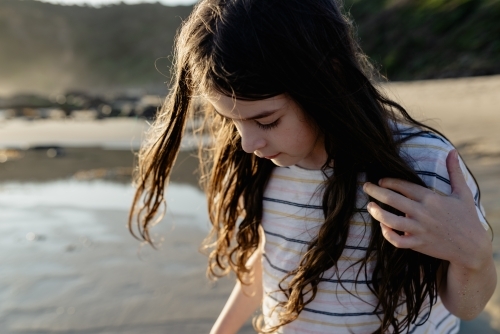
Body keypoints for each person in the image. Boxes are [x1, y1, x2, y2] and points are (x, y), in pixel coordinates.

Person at [128, 0, 496, 333]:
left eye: (267, 121)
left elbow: (465, 306)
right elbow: (275, 260)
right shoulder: (265, 165)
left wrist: (474, 255)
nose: (248, 143)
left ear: (328, 75)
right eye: (233, 122)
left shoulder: (422, 163)